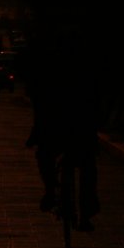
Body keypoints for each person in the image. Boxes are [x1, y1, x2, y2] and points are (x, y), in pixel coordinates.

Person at [23, 25, 101, 231]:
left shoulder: (49, 66)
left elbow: (36, 97)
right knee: (87, 165)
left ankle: (50, 191)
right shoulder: (84, 66)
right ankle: (85, 213)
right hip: (77, 127)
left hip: (56, 126)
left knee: (46, 155)